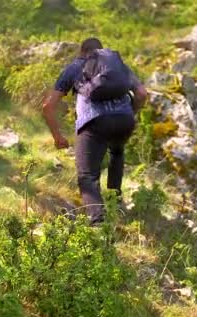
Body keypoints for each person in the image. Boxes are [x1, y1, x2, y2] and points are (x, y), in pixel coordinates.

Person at [42, 38, 148, 225]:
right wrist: (130, 113)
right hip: (124, 119)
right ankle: (115, 200)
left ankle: (98, 223)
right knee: (117, 152)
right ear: (102, 52)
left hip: (94, 122)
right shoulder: (118, 67)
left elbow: (48, 106)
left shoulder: (75, 67)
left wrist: (58, 137)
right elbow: (141, 94)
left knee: (87, 175)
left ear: (81, 51)